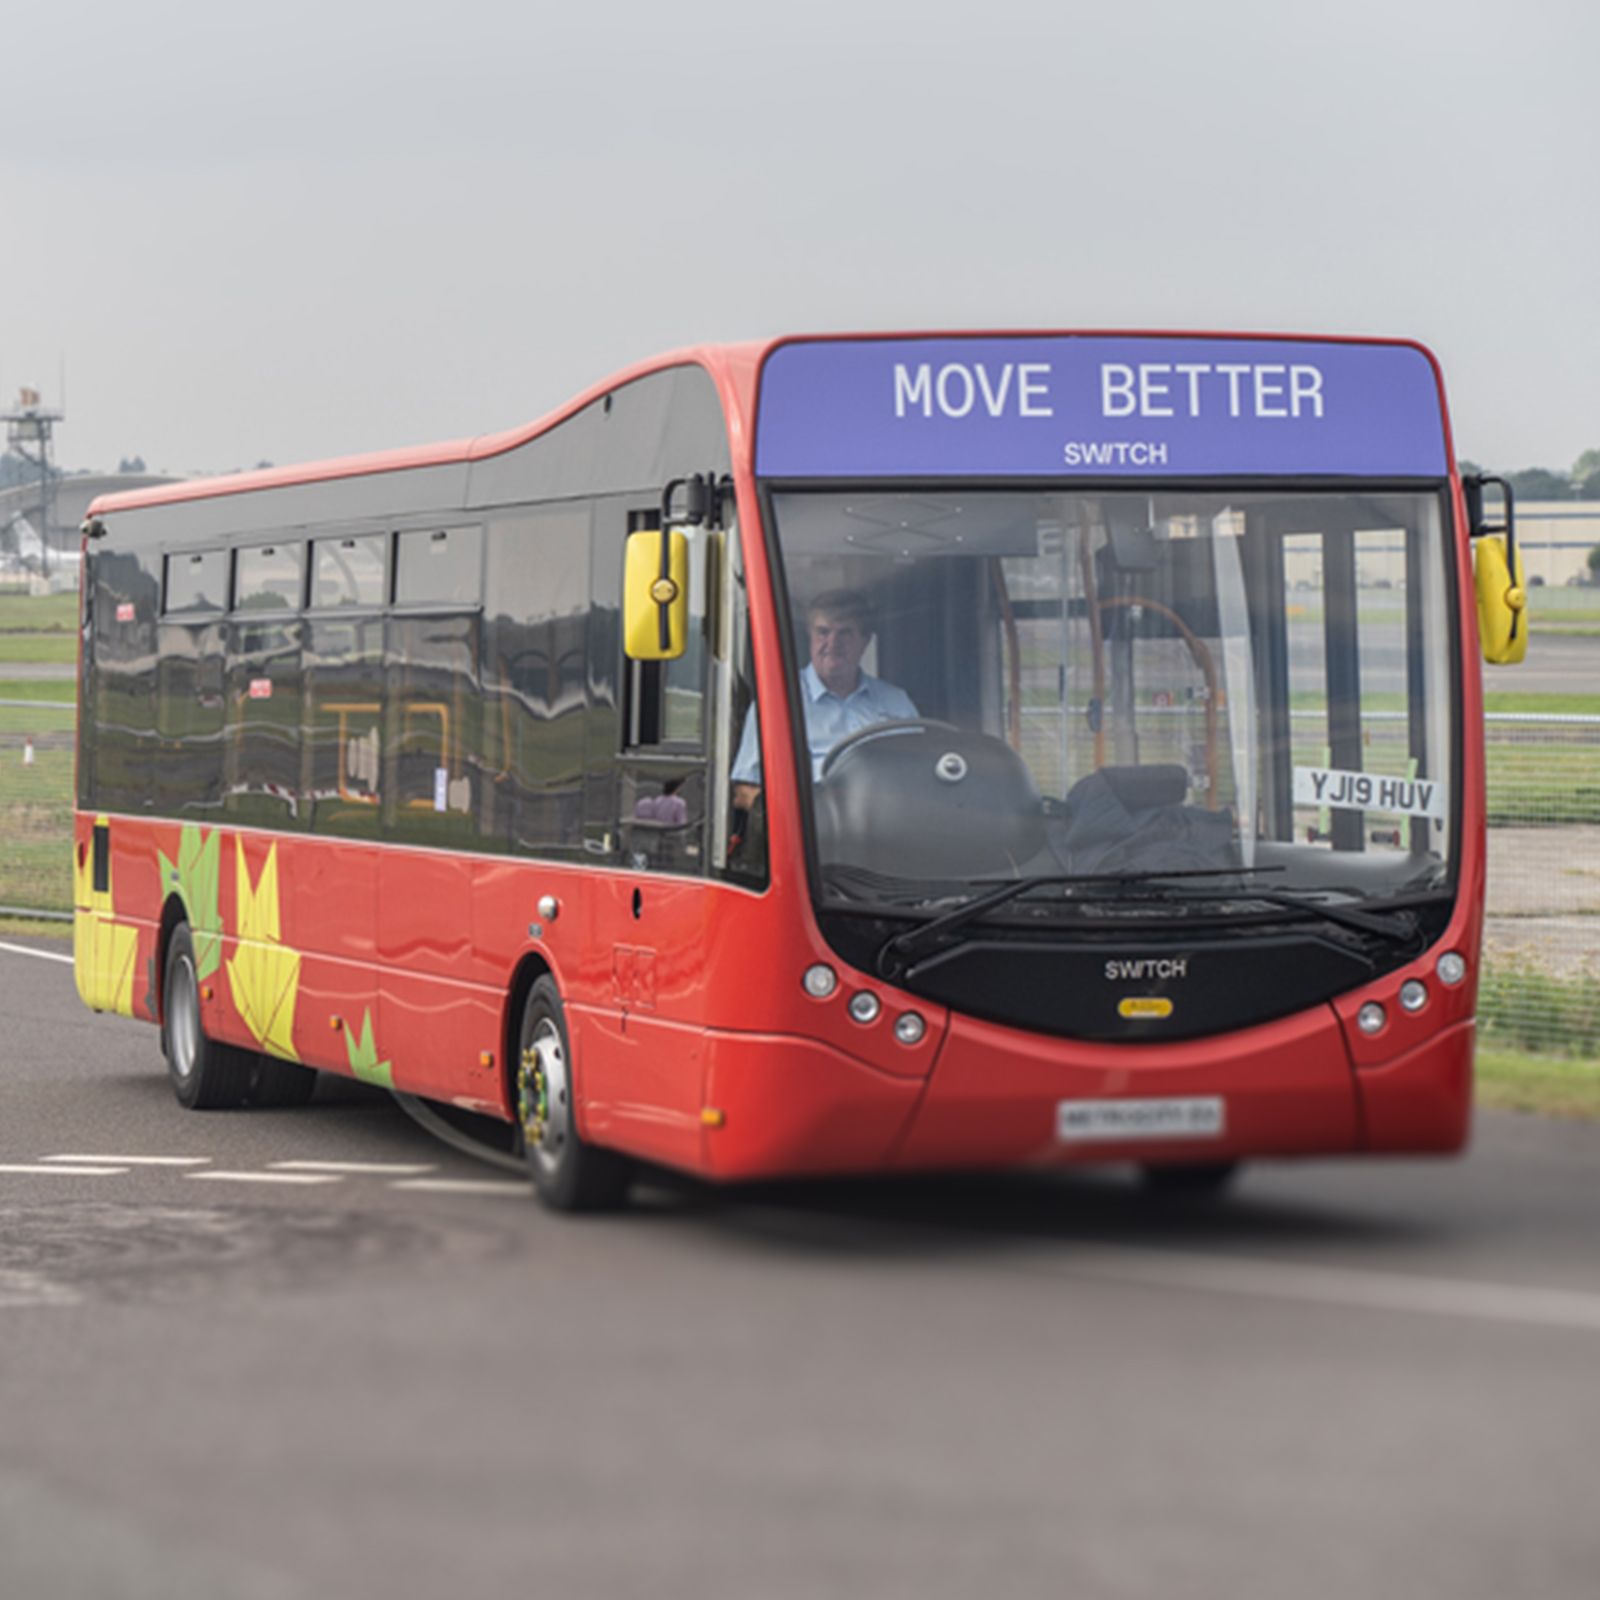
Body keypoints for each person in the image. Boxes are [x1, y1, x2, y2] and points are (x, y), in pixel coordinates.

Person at [731, 588, 917, 808]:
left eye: (845, 633)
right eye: (823, 632)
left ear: (865, 641)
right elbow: (744, 792)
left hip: (890, 829)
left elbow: (919, 779)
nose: (832, 643)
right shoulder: (778, 704)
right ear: (810, 636)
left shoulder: (896, 702)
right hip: (811, 834)